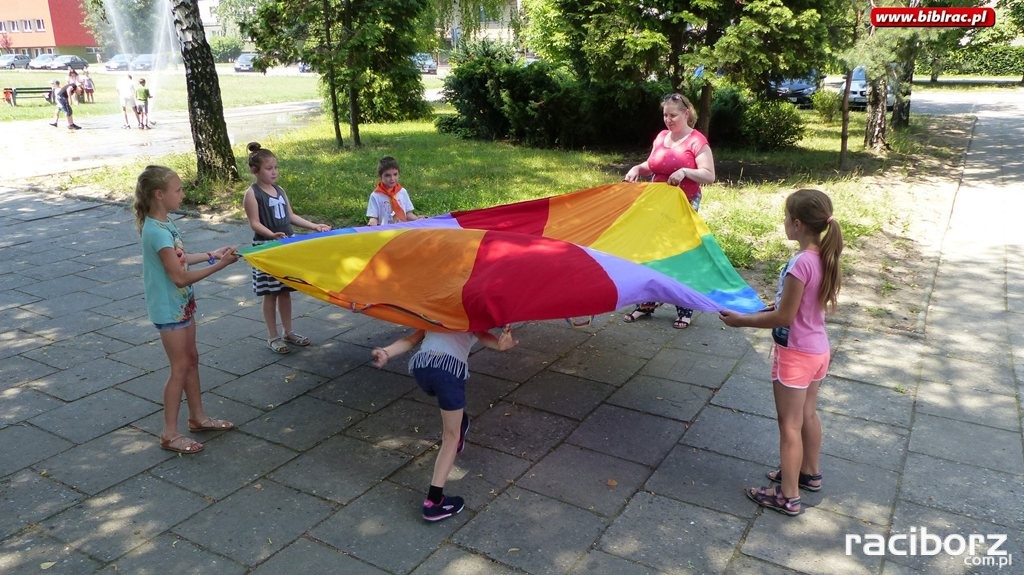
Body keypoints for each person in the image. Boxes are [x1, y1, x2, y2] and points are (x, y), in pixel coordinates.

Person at [719, 189, 843, 516]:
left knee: (789, 424)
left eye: (786, 217)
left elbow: (785, 317)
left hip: (796, 355)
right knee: (808, 415)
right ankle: (809, 473)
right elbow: (796, 306)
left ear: (797, 223)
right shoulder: (823, 256)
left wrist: (742, 321)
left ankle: (788, 496)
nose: (784, 222)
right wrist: (761, 309)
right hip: (818, 351)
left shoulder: (801, 263)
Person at [133, 165, 242, 454]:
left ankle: (198, 418)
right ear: (159, 194)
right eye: (178, 190)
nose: (183, 194)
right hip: (169, 309)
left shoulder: (165, 223)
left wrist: (211, 255)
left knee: (191, 360)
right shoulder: (156, 232)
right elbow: (179, 277)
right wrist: (220, 266)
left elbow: (180, 258)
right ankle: (169, 434)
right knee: (180, 367)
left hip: (181, 305)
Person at [371, 326, 518, 521]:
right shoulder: (470, 319)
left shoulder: (436, 315)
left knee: (452, 416)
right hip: (448, 373)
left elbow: (410, 340)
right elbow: (484, 337)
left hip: (422, 369)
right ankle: (434, 503)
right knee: (450, 437)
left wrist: (386, 351)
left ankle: (459, 424)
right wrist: (501, 345)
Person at [622, 92, 715, 329]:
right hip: (656, 203)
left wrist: (685, 172)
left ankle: (684, 307)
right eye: (665, 115)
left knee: (678, 254)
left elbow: (709, 175)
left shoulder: (697, 141)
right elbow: (652, 164)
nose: (668, 120)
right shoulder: (662, 137)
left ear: (686, 113)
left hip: (684, 204)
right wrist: (637, 168)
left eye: (673, 115)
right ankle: (647, 302)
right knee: (651, 251)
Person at [242, 141, 332, 354]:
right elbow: (254, 223)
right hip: (266, 248)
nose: (274, 172)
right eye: (269, 168)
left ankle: (288, 332)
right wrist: (271, 235)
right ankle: (273, 336)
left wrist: (314, 226)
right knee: (270, 293)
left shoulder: (280, 190)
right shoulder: (252, 194)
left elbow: (291, 216)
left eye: (276, 167)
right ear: (255, 170)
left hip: (286, 246)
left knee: (285, 291)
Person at [366, 156, 423, 225]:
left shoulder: (402, 192)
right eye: (387, 175)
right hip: (386, 230)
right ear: (380, 176)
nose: (392, 178)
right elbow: (374, 218)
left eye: (395, 174)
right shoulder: (375, 195)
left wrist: (418, 219)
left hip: (402, 228)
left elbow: (408, 214)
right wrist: (372, 223)